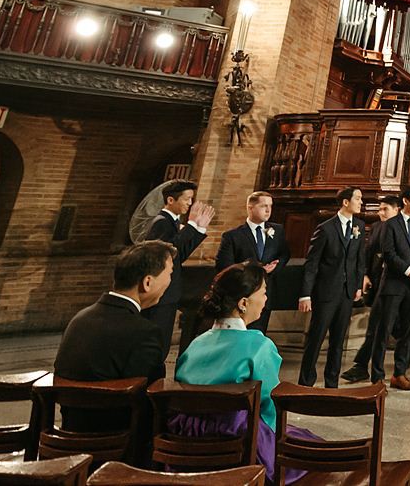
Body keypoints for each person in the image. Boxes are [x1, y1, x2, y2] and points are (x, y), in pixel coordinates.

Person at [172, 263, 318, 483]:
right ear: (243, 303)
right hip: (237, 437)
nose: (266, 299)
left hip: (189, 434)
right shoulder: (260, 346)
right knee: (310, 446)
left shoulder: (195, 344)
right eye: (264, 293)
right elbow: (270, 405)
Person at [54, 241, 173, 431]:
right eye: (169, 274)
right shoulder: (144, 332)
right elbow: (150, 401)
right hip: (119, 445)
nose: (170, 281)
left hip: (67, 435)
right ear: (147, 282)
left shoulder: (79, 319)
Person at [296, 186, 366, 388]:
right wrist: (305, 294)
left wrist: (358, 284)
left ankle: (331, 383)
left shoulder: (359, 227)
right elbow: (312, 264)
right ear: (346, 202)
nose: (361, 202)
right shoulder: (326, 228)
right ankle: (306, 383)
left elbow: (359, 260)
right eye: (358, 198)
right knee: (316, 338)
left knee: (338, 340)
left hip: (346, 292)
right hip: (326, 291)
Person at [141, 179, 215, 353]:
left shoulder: (171, 222)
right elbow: (165, 253)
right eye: (186, 199)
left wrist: (199, 229)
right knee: (156, 342)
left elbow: (179, 255)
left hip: (169, 292)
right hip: (161, 293)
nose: (190, 204)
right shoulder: (161, 222)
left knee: (162, 342)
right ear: (171, 200)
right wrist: (191, 226)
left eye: (191, 199)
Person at [370, 185, 410, 391]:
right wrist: (409, 270)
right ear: (405, 201)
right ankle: (377, 377)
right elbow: (389, 253)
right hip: (394, 284)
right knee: (384, 331)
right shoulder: (392, 225)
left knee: (407, 332)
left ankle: (399, 373)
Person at [343, 194, 401, 383]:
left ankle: (361, 365)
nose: (381, 213)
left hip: (394, 284)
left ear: (397, 210)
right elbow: (368, 253)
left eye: (385, 209)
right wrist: (365, 275)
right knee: (387, 325)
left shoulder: (402, 228)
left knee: (377, 326)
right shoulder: (377, 227)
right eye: (380, 209)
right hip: (377, 281)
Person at [214, 191, 289, 334]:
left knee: (258, 334)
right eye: (263, 206)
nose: (268, 210)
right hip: (241, 295)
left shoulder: (277, 230)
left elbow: (285, 253)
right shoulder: (233, 236)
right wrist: (256, 271)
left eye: (270, 206)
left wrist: (275, 267)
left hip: (265, 293)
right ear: (250, 207)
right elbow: (224, 265)